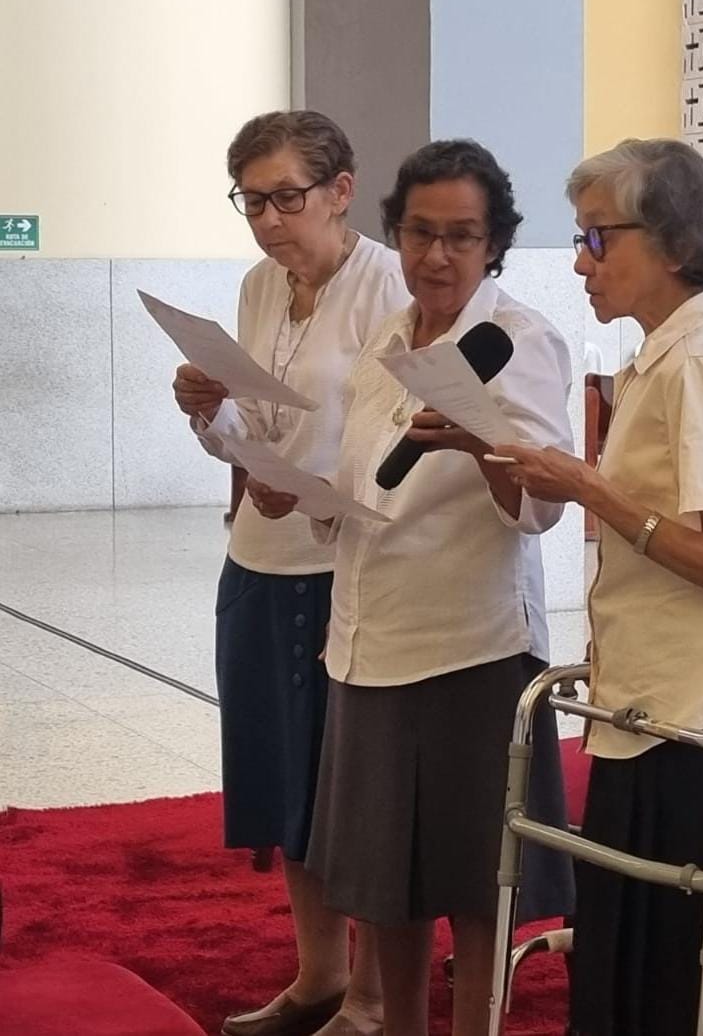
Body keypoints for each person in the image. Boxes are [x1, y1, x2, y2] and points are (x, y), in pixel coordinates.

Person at [497, 138, 703, 1036]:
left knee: (689, 983)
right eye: (580, 237)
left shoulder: (697, 366)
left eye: (598, 238)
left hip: (700, 721)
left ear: (672, 243)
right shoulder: (665, 358)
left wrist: (589, 486)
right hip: (653, 707)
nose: (580, 261)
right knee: (640, 968)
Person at [260, 139, 575, 1036]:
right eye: (419, 233)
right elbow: (364, 479)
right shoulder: (388, 341)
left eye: (461, 237)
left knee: (474, 881)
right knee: (381, 879)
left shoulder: (520, 342)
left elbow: (543, 506)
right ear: (395, 234)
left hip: (468, 646)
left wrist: (481, 443)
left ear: (494, 244)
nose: (437, 256)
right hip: (368, 640)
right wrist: (305, 497)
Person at [171, 110, 410, 1036]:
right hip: (260, 558)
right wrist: (210, 413)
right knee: (286, 787)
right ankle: (317, 977)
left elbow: (402, 443)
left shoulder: (388, 287)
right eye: (251, 202)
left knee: (353, 793)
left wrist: (314, 493)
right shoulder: (259, 286)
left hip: (347, 567)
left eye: (286, 198)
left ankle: (374, 995)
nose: (269, 221)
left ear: (341, 191)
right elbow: (259, 429)